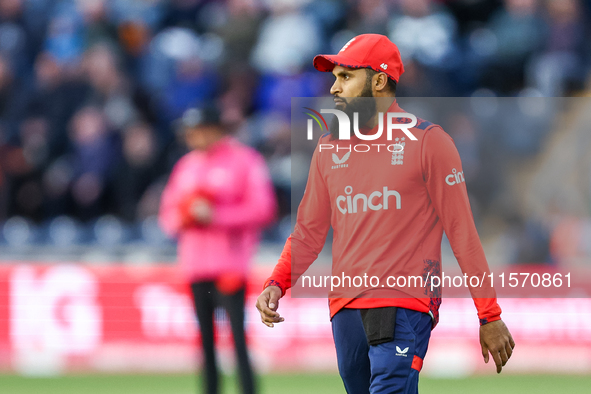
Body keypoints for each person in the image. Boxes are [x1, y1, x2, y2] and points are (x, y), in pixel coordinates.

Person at [255, 34, 515, 393]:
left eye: (345, 77)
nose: (334, 87)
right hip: (344, 307)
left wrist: (489, 314)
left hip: (403, 302)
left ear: (378, 81)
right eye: (335, 77)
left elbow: (462, 232)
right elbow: (308, 232)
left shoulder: (429, 141)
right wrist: (277, 282)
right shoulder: (329, 147)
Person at [159, 105, 276, 394]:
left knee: (238, 340)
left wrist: (217, 216)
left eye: (197, 131)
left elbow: (263, 209)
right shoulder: (186, 165)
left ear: (215, 130)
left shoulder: (244, 161)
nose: (192, 137)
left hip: (229, 264)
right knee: (205, 344)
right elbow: (167, 216)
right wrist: (185, 217)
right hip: (196, 266)